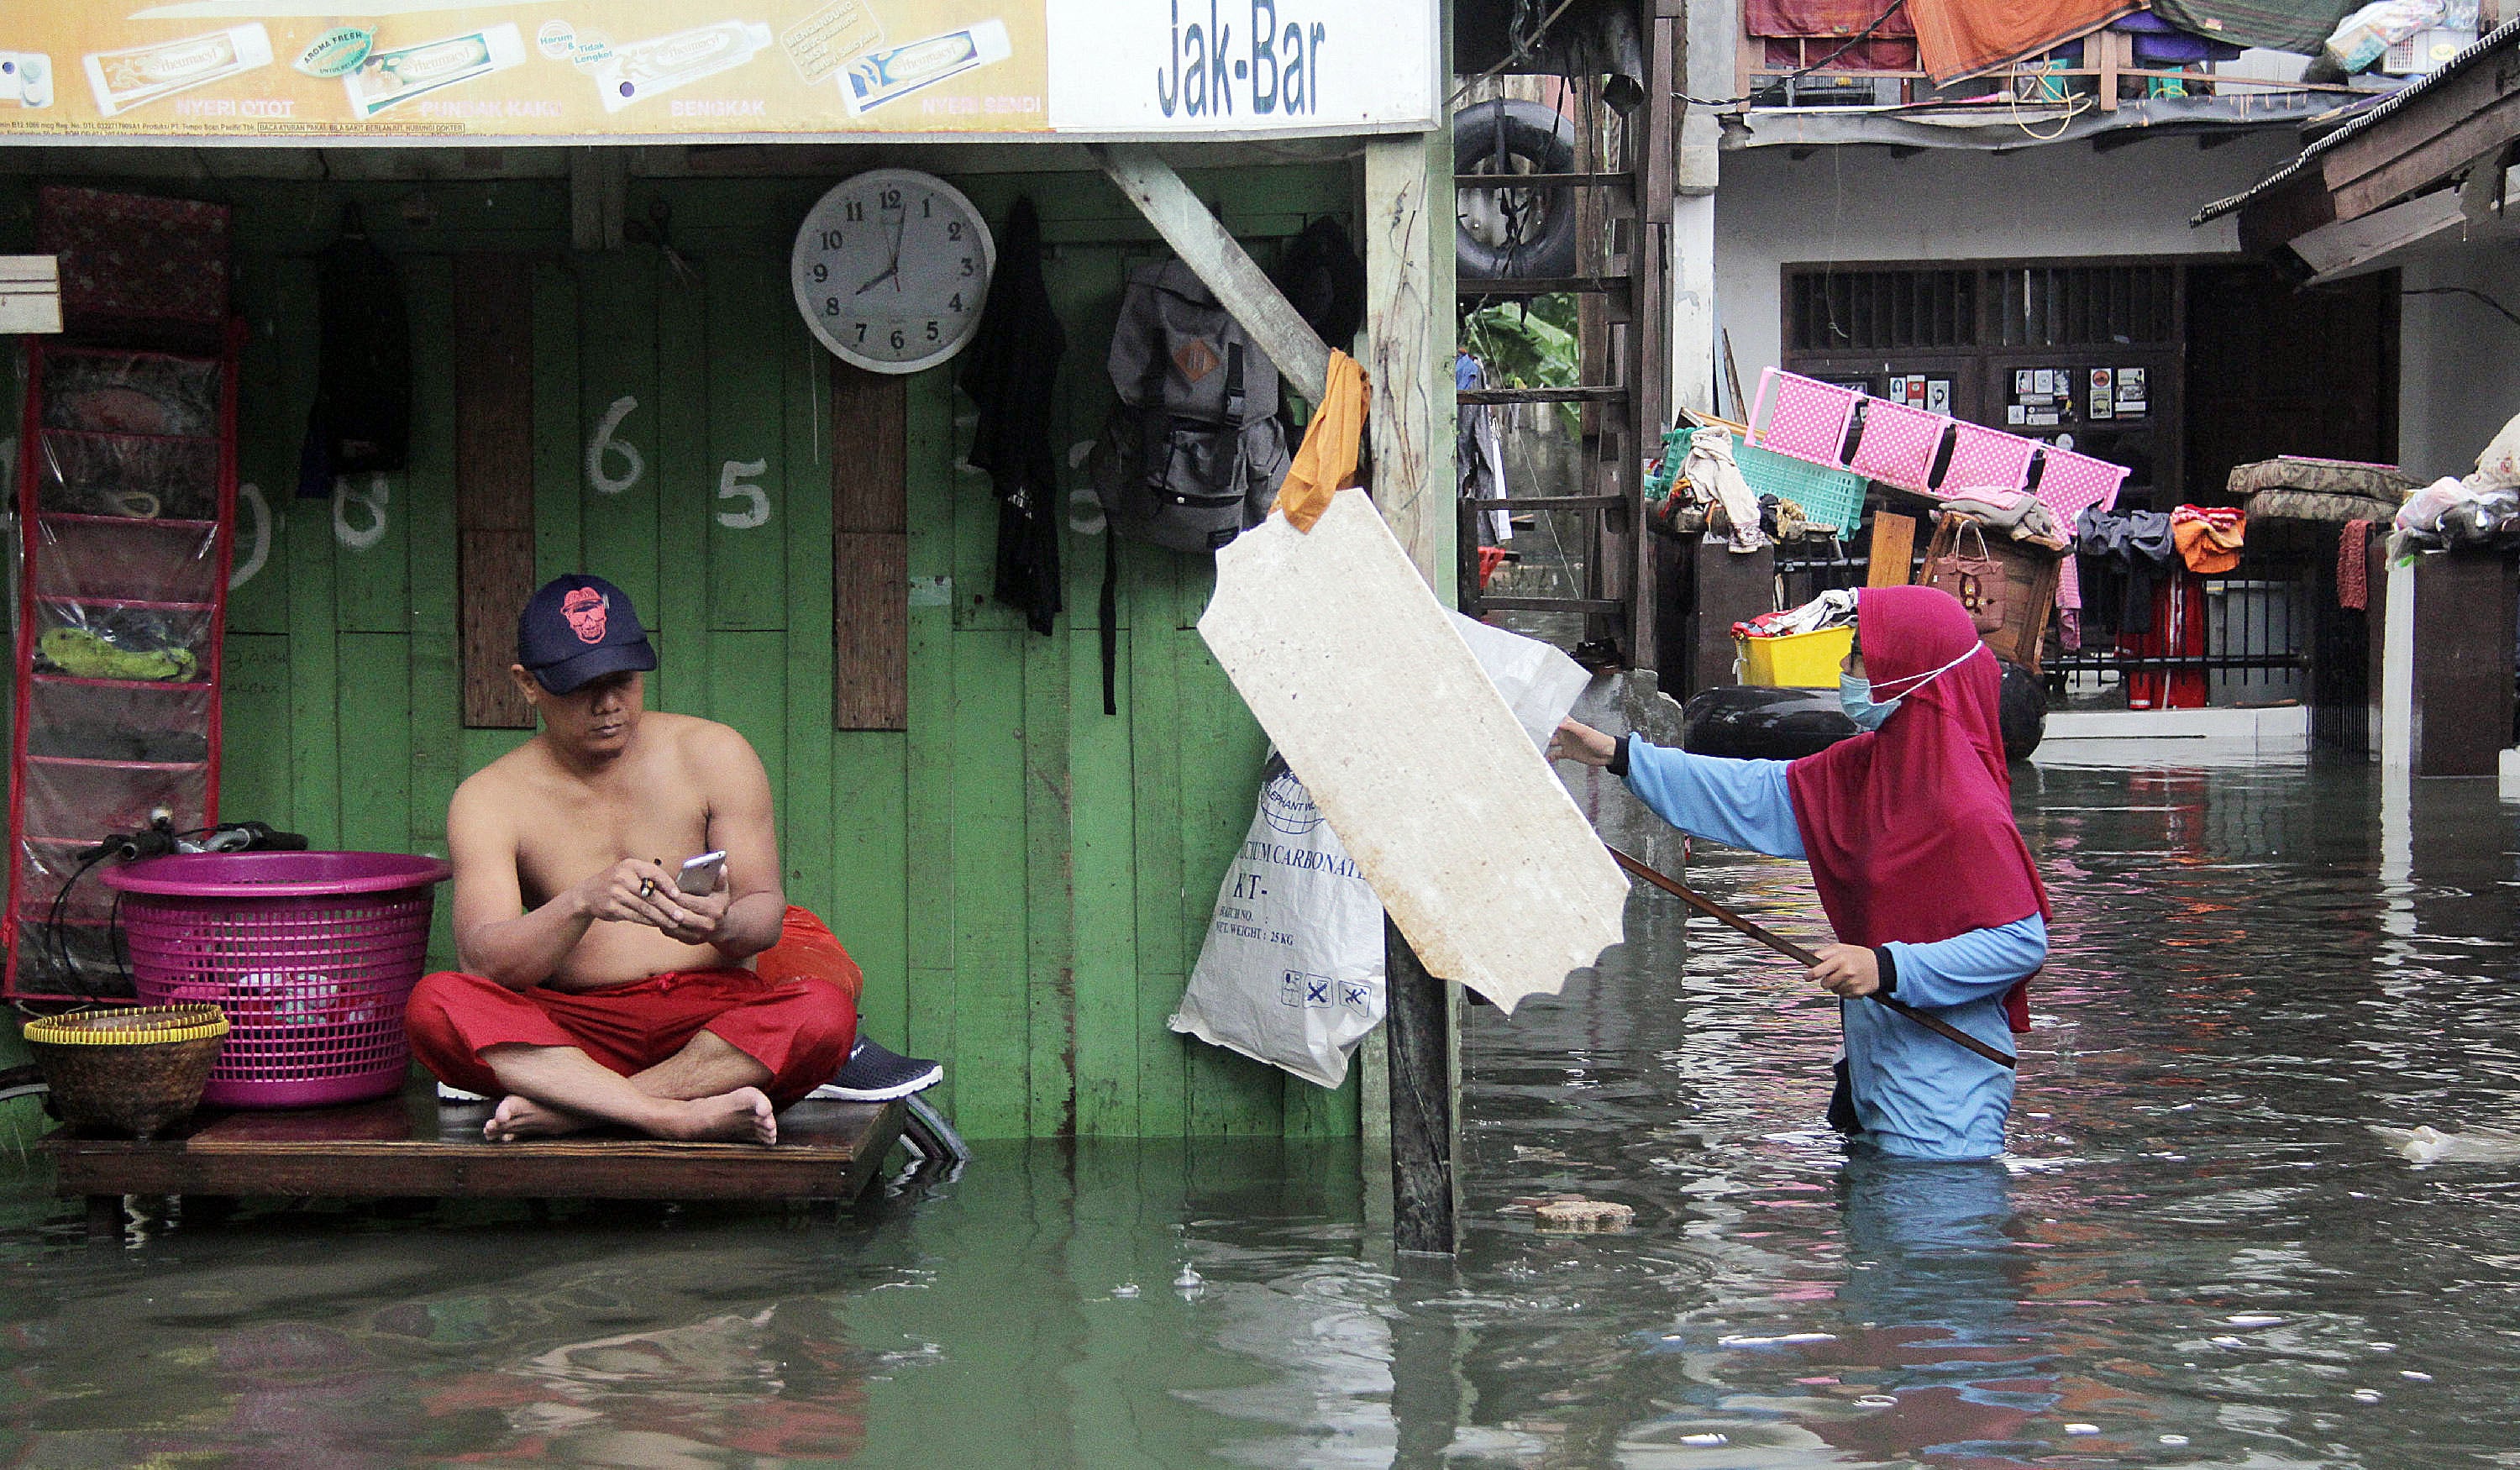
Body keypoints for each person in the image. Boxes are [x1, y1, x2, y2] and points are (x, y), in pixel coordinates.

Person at [1550, 585, 2048, 1161]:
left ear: (1908, 678)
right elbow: (1756, 793)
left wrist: (1888, 965)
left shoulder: (1967, 808)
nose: (1844, 667)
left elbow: (2019, 942)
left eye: (1859, 655)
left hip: (1945, 1093)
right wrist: (1620, 755)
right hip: (1871, 1070)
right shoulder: (1868, 771)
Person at [405, 574, 861, 1145]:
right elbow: (486, 963)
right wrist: (580, 902)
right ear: (528, 685)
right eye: (580, 687)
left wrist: (720, 923)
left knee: (823, 1013)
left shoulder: (715, 752)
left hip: (709, 1025)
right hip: (575, 1029)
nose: (608, 705)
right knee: (435, 1005)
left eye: (622, 680)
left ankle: (583, 1110)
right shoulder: (489, 797)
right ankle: (670, 1114)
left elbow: (763, 919)